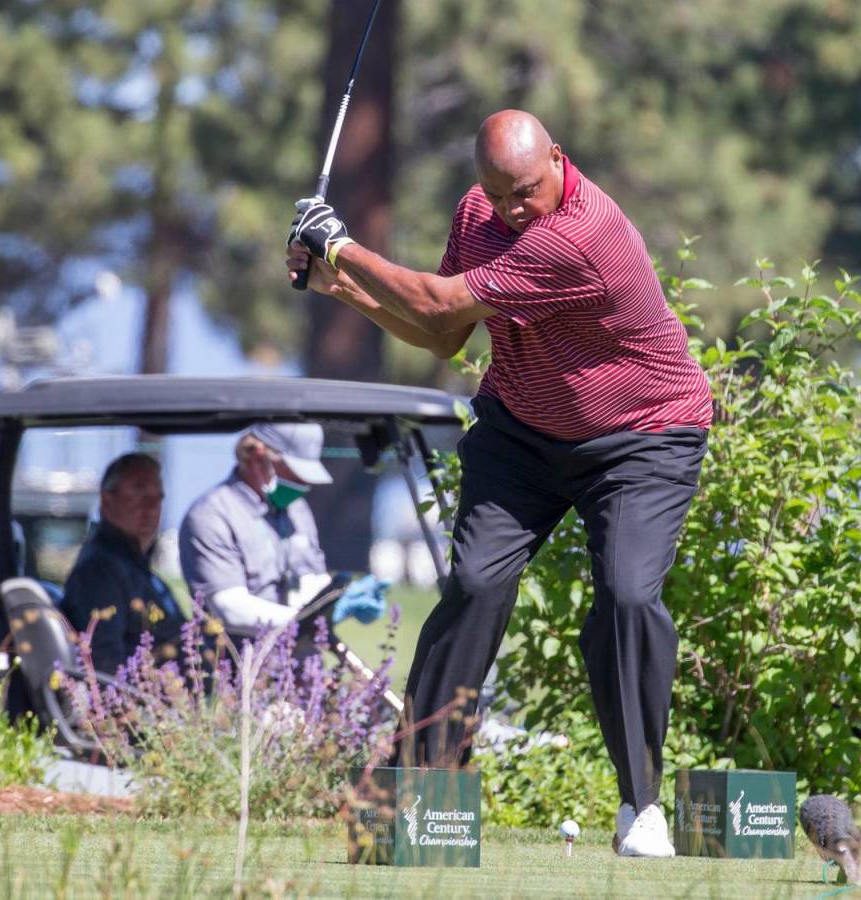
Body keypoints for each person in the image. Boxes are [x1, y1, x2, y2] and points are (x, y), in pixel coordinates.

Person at [286, 109, 712, 858]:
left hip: (643, 436)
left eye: (525, 190)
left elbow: (441, 303)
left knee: (627, 593)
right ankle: (422, 787)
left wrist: (343, 245)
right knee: (476, 585)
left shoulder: (581, 234)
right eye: (497, 192)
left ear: (556, 158)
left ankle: (640, 806)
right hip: (524, 431)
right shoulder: (480, 211)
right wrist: (338, 285)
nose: (513, 208)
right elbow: (445, 333)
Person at [179, 422, 387, 633]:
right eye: (296, 472)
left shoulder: (296, 509)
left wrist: (342, 597)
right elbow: (231, 609)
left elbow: (310, 581)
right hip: (240, 661)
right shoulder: (212, 514)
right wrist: (310, 619)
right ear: (259, 457)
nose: (304, 482)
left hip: (299, 659)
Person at [62, 453, 186, 675]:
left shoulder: (133, 566)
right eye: (139, 492)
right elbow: (104, 666)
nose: (152, 506)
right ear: (107, 500)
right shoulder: (100, 570)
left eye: (158, 497)